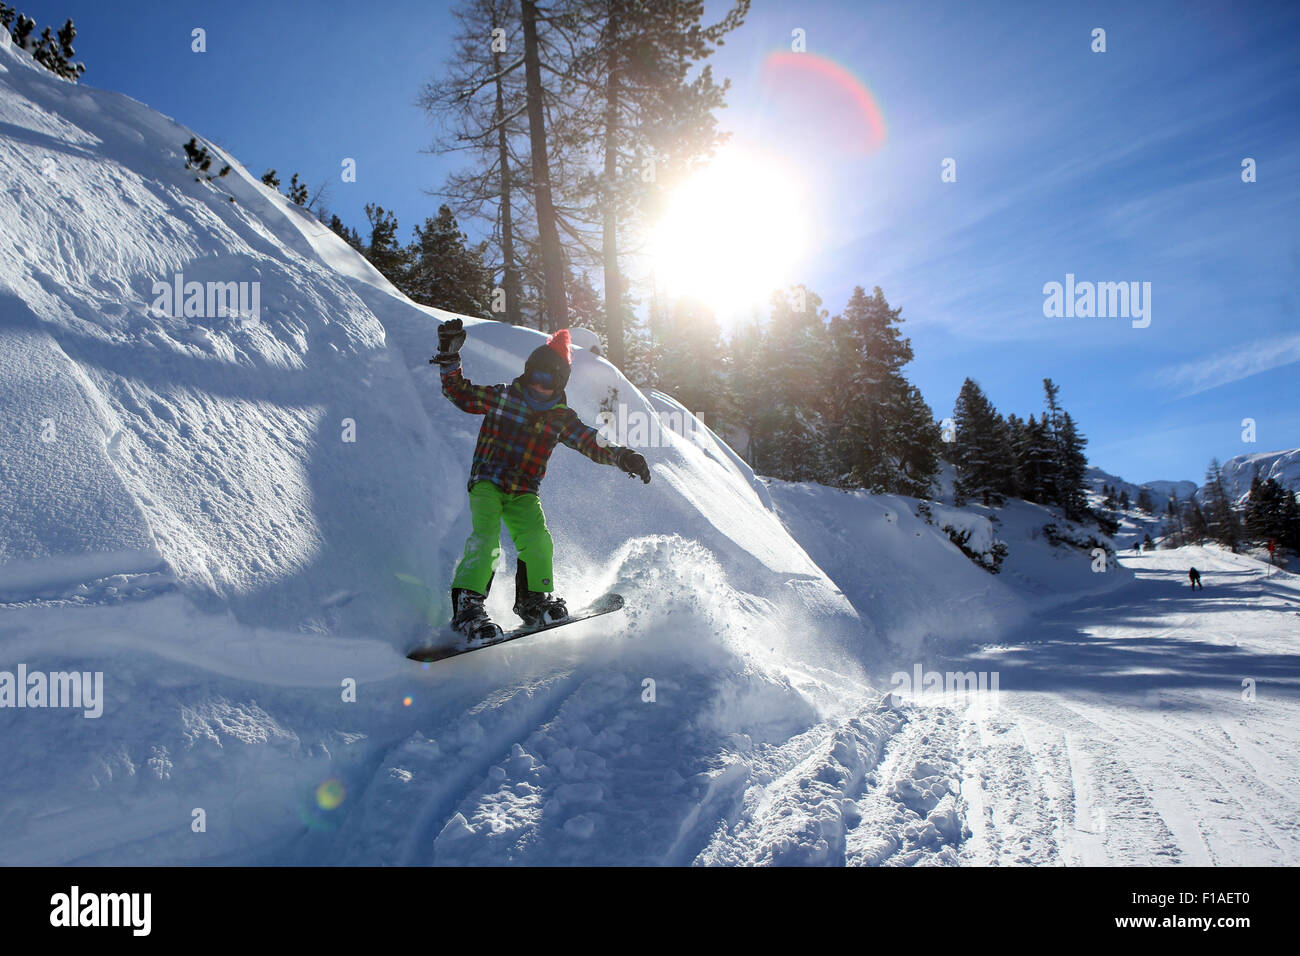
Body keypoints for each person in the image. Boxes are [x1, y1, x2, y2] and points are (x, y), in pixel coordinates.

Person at [432, 319, 651, 644]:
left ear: (560, 382)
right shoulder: (504, 397)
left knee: (538, 540)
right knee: (487, 539)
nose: (539, 385)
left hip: (524, 492)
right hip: (488, 482)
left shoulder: (560, 417)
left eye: (548, 380)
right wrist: (450, 360)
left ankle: (533, 600)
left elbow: (590, 442)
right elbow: (461, 395)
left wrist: (622, 456)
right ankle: (468, 608)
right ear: (527, 372)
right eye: (535, 375)